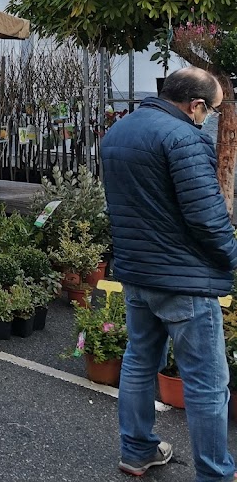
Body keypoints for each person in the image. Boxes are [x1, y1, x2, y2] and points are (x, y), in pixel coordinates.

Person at [101, 67, 237, 481]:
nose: (211, 118)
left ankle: (137, 450)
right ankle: (215, 474)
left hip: (137, 273)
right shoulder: (184, 137)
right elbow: (207, 217)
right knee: (207, 383)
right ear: (196, 106)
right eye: (212, 110)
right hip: (184, 281)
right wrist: (232, 256)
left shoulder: (118, 132)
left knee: (139, 361)